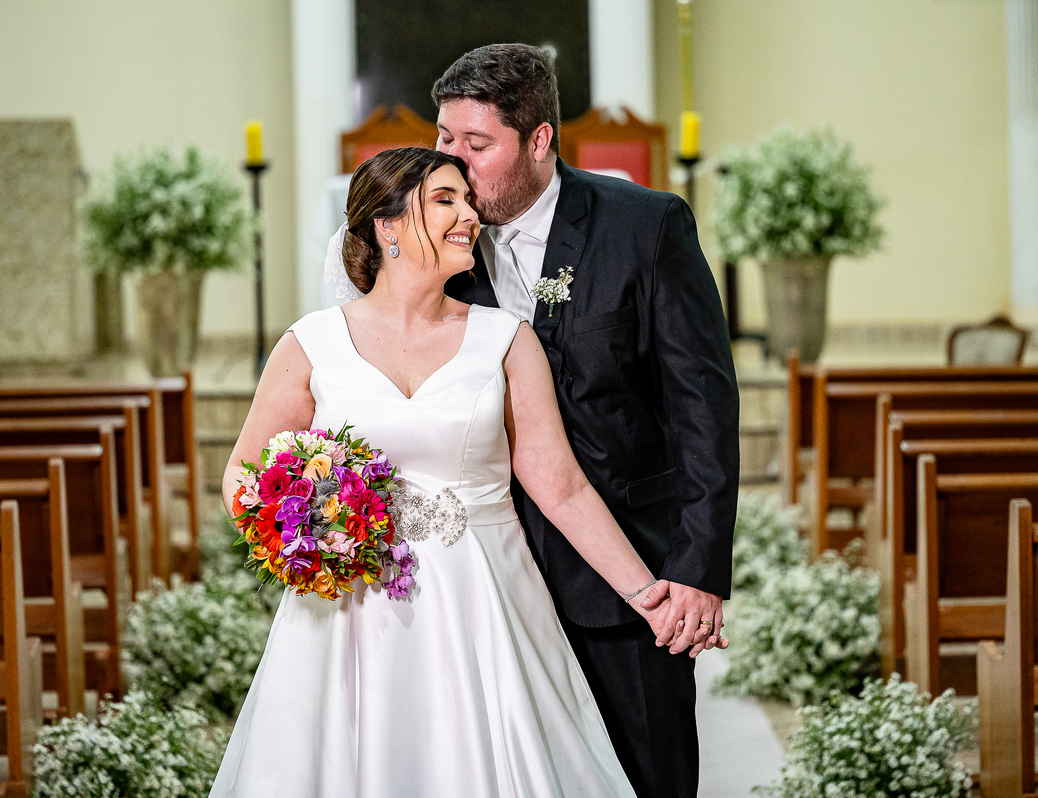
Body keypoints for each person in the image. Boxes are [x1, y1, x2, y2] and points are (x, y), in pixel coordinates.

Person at [210, 147, 710, 797]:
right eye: (445, 200)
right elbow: (243, 477)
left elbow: (559, 484)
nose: (468, 216)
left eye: (468, 202)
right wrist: (311, 531)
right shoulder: (312, 345)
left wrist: (650, 595)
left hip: (485, 603)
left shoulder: (505, 339)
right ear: (387, 226)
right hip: (350, 613)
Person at [434, 44, 740, 798]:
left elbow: (704, 407)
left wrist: (696, 573)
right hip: (487, 581)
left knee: (648, 777)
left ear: (539, 140)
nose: (452, 165)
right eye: (444, 140)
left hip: (627, 572)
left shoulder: (646, 227)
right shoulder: (432, 242)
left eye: (477, 146)